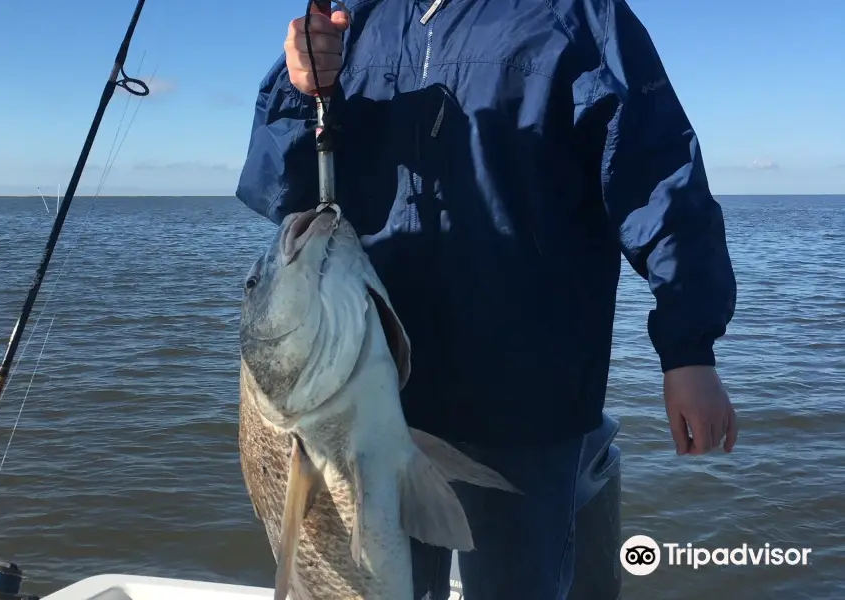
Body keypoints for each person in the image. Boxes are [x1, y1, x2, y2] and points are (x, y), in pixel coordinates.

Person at [236, 0, 738, 598]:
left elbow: (657, 175)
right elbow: (283, 189)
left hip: (524, 402)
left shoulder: (577, 14)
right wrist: (299, 89)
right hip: (380, 391)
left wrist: (689, 351)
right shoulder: (353, 19)